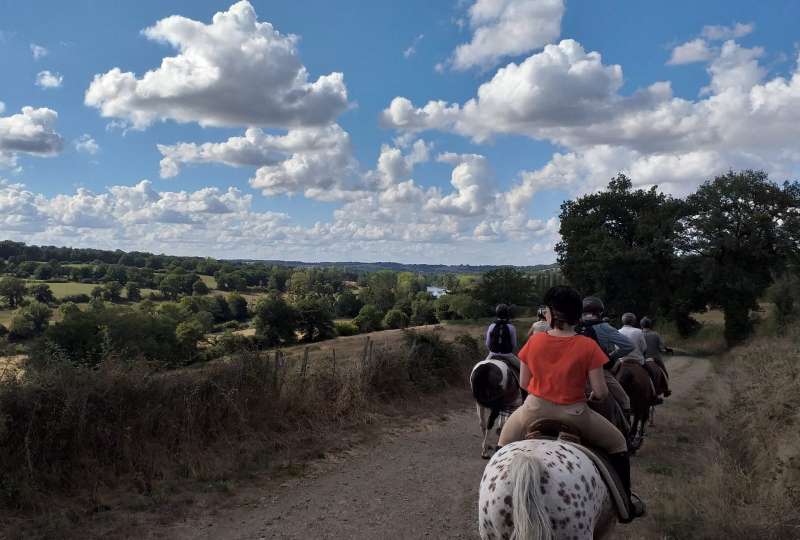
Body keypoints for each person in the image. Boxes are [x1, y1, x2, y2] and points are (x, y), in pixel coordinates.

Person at [497, 286, 646, 521]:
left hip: (532, 412)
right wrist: (593, 397)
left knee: (503, 444)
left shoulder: (534, 341)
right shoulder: (588, 346)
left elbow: (524, 383)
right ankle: (626, 503)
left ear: (551, 315)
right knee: (618, 442)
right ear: (576, 315)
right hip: (575, 414)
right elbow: (601, 391)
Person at [579, 297, 634, 414]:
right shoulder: (605, 327)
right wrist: (611, 356)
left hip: (573, 370)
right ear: (600, 312)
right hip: (599, 371)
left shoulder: (573, 326)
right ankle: (627, 427)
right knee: (625, 400)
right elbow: (628, 346)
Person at [619, 312, 662, 405]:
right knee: (651, 373)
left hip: (621, 361)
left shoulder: (617, 331)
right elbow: (644, 347)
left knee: (611, 376)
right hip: (638, 361)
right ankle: (654, 395)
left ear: (623, 321)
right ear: (634, 321)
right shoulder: (638, 331)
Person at [641, 317, 672, 397]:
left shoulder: (639, 334)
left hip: (642, 359)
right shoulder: (655, 334)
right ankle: (665, 390)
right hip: (655, 358)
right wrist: (666, 350)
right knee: (664, 373)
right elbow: (661, 348)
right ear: (650, 325)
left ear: (641, 325)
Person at [485, 304, 520, 372]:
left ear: (497, 313)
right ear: (507, 314)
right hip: (507, 355)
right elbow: (514, 344)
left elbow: (487, 343)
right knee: (522, 369)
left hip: (493, 354)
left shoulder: (491, 326)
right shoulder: (511, 327)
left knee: (482, 367)